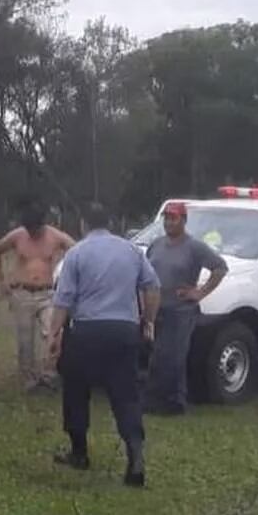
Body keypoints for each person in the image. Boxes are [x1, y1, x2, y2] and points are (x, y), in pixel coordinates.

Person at [47, 203, 161, 487]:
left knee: (75, 391)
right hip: (124, 331)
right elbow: (153, 286)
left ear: (84, 224)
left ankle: (79, 452)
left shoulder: (76, 253)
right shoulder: (132, 251)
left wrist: (53, 334)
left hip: (87, 331)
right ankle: (135, 456)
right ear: (111, 223)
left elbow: (63, 300)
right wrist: (148, 320)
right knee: (126, 395)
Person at [143, 202, 227, 415]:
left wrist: (199, 292)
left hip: (181, 311)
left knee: (174, 356)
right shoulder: (156, 245)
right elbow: (146, 272)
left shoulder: (194, 247)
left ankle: (173, 402)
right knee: (157, 355)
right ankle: (161, 399)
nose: (169, 223)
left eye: (174, 218)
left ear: (183, 221)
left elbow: (220, 267)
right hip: (156, 309)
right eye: (166, 218)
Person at [0, 201, 76, 392]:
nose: (32, 233)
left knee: (53, 333)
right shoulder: (17, 236)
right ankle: (28, 378)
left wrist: (66, 277)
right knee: (25, 339)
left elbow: (76, 250)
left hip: (47, 293)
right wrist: (1, 281)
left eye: (35, 230)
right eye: (29, 230)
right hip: (22, 293)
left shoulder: (55, 236)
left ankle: (49, 373)